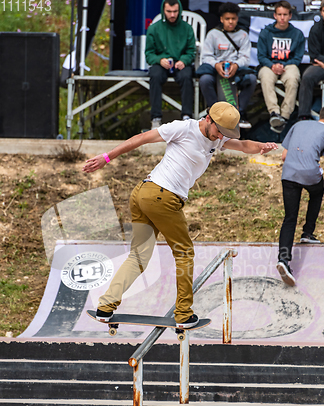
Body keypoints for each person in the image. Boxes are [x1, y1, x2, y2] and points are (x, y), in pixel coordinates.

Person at [83, 102, 278, 327]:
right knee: (184, 252)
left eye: (224, 134)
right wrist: (106, 158)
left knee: (139, 256)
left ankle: (105, 307)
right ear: (208, 119)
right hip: (161, 197)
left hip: (145, 195)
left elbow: (243, 145)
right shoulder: (183, 129)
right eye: (218, 131)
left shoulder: (218, 137)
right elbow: (142, 138)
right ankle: (184, 313)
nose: (219, 137)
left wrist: (261, 146)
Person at [276, 103, 324, 287]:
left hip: (289, 174)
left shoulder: (297, 125)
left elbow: (284, 156)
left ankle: (283, 260)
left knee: (289, 217)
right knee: (317, 191)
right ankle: (308, 232)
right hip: (309, 175)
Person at [199, 2, 256, 129]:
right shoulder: (213, 34)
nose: (230, 22)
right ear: (221, 19)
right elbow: (206, 56)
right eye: (227, 19)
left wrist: (236, 65)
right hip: (216, 71)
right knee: (204, 80)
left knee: (251, 80)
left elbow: (246, 58)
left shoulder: (243, 35)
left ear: (237, 19)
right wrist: (216, 64)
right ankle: (216, 114)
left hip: (237, 72)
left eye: (233, 18)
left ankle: (238, 113)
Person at [145, 0, 196, 129]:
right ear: (163, 10)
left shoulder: (187, 28)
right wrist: (159, 60)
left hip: (181, 63)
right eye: (169, 11)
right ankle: (156, 118)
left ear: (179, 11)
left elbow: (191, 51)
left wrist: (184, 60)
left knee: (186, 76)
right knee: (155, 75)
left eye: (175, 11)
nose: (172, 15)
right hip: (161, 64)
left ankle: (187, 117)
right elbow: (149, 54)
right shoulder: (154, 28)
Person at [257, 1, 305, 134]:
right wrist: (272, 65)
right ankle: (274, 113)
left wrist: (282, 65)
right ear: (274, 15)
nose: (282, 17)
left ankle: (284, 116)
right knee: (265, 78)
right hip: (269, 65)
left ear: (290, 16)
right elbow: (261, 56)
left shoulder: (297, 34)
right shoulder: (266, 33)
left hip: (288, 65)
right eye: (279, 14)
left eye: (285, 14)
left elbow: (298, 58)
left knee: (293, 78)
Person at [298, 0, 324, 120]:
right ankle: (303, 116)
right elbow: (315, 55)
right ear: (321, 13)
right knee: (307, 76)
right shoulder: (315, 29)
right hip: (321, 67)